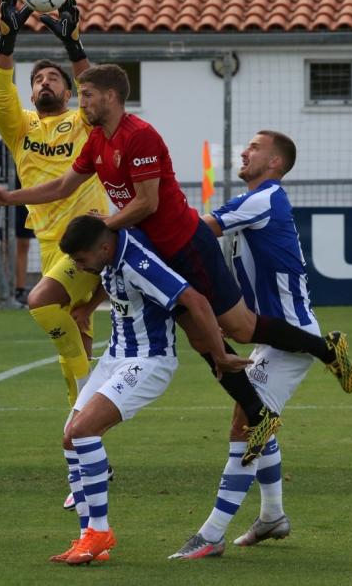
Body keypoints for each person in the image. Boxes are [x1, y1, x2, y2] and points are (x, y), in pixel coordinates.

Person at [0, 63, 352, 465]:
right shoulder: (96, 141)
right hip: (153, 250)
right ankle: (259, 413)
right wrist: (11, 198)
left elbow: (147, 203)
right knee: (201, 339)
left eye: (87, 94)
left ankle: (325, 348)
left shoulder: (139, 136)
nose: (82, 102)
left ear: (109, 97)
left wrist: (102, 227)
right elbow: (61, 186)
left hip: (185, 245)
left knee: (240, 329)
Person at [169, 130, 336, 559]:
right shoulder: (261, 201)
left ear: (276, 163)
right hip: (271, 337)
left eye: (255, 148)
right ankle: (272, 517)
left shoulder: (265, 198)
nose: (244, 152)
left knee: (247, 425)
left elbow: (199, 230)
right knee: (253, 419)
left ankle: (212, 534)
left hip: (291, 337)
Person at [47, 215, 250, 565]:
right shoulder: (108, 254)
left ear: (104, 248)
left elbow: (195, 300)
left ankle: (99, 532)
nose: (79, 267)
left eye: (81, 260)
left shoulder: (139, 262)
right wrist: (89, 306)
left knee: (83, 431)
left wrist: (219, 355)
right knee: (70, 438)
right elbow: (109, 282)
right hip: (116, 356)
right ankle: (90, 540)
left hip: (148, 361)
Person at [0, 0, 111, 502]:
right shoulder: (20, 131)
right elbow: (0, 94)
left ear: (67, 91)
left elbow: (98, 94)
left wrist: (74, 46)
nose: (44, 83)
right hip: (48, 246)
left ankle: (87, 404)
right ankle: (86, 463)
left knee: (41, 307)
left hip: (88, 237)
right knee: (74, 350)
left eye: (53, 79)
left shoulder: (80, 121)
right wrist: (7, 36)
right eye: (37, 79)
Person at [0, 138, 35, 305]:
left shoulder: (32, 142)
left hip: (28, 199)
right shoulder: (2, 145)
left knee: (24, 244)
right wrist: (3, 187)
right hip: (8, 202)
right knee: (6, 244)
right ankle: (7, 287)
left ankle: (20, 288)